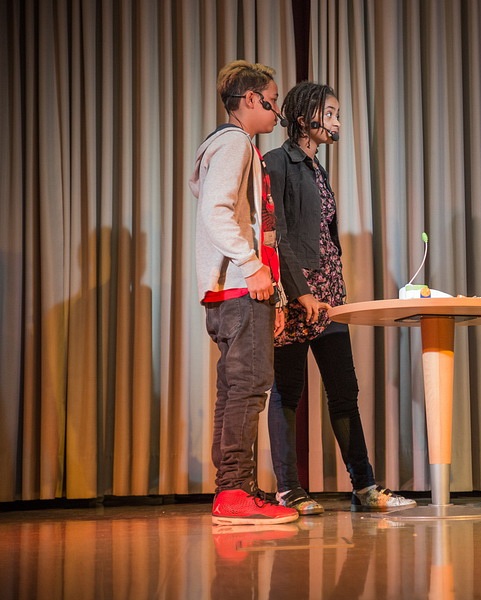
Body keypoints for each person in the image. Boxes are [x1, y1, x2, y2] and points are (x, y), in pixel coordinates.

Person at [264, 81, 416, 513]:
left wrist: (330, 288)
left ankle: (364, 487)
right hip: (295, 295)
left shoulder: (318, 168)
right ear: (303, 119)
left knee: (344, 392)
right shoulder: (277, 161)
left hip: (329, 295)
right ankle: (288, 489)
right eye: (329, 114)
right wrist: (299, 293)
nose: (336, 122)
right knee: (287, 391)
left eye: (337, 114)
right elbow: (277, 234)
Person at [190, 60, 297, 525]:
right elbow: (216, 213)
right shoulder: (235, 144)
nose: (277, 112)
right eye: (272, 102)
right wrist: (253, 269)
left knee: (236, 389)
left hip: (233, 291)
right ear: (251, 99)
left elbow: (251, 224)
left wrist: (274, 294)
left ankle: (235, 489)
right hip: (239, 288)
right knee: (249, 389)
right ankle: (234, 491)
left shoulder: (235, 146)